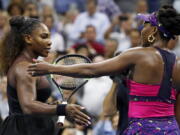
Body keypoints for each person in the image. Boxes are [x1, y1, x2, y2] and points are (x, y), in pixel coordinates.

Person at [28, 5, 180, 134]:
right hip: (172, 129)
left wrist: (51, 67)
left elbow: (91, 70)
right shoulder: (178, 63)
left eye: (145, 24)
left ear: (153, 31)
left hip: (142, 130)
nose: (142, 30)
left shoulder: (137, 54)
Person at [0, 16, 91, 135]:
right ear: (28, 38)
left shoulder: (29, 64)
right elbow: (28, 106)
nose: (50, 41)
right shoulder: (25, 67)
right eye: (44, 36)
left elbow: (28, 103)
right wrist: (62, 109)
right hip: (24, 130)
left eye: (49, 36)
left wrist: (49, 106)